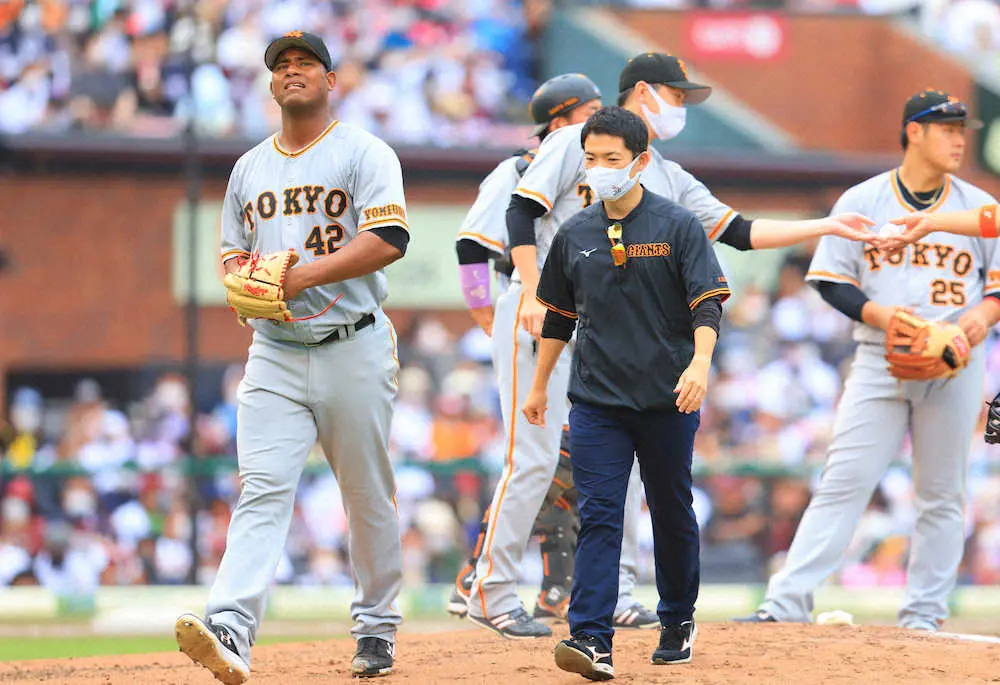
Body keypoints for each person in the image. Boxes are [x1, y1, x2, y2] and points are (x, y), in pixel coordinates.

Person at [468, 50, 875, 643]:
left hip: (608, 331)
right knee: (531, 458)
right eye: (676, 94)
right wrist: (530, 288)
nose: (681, 106)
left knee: (625, 463)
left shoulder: (665, 173)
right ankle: (492, 591)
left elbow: (739, 231)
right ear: (643, 91)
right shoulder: (578, 142)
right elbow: (522, 209)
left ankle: (616, 593)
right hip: (541, 312)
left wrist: (826, 226)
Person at [174, 31, 409, 683]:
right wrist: (241, 281)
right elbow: (231, 251)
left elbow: (390, 237)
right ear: (271, 84)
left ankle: (377, 624)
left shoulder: (363, 151)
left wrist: (299, 276)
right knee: (262, 487)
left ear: (331, 80)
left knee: (366, 494)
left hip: (354, 342)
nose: (292, 71)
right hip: (274, 351)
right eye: (281, 65)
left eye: (307, 62)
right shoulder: (249, 167)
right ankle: (231, 625)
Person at [737, 90, 1000, 630]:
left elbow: (997, 287)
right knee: (844, 479)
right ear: (913, 132)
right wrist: (883, 316)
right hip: (881, 356)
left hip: (956, 358)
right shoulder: (864, 200)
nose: (959, 139)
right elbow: (831, 280)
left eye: (962, 129)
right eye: (947, 128)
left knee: (943, 493)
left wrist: (984, 314)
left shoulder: (979, 206)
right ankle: (785, 604)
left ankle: (924, 617)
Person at [522, 106, 730, 680]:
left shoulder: (678, 226)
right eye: (591, 158)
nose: (599, 169)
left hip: (669, 399)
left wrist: (701, 364)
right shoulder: (574, 233)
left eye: (611, 158)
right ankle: (591, 638)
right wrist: (539, 387)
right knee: (599, 515)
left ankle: (677, 618)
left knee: (670, 509)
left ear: (640, 162)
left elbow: (707, 304)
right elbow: (558, 317)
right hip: (597, 402)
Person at [450, 74, 598, 626]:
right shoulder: (517, 167)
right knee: (536, 458)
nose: (599, 118)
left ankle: (556, 586)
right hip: (531, 308)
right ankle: (482, 579)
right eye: (589, 110)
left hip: (580, 319)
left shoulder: (597, 169)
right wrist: (484, 313)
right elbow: (471, 244)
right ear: (559, 120)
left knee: (572, 461)